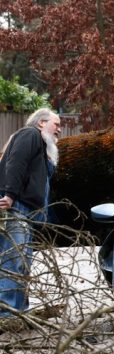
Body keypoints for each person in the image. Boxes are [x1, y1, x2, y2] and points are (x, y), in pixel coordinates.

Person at [0, 108, 61, 317]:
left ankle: (18, 312)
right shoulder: (30, 134)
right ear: (41, 123)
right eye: (56, 124)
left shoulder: (42, 145)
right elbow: (15, 163)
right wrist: (9, 194)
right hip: (18, 206)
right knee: (13, 260)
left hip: (28, 211)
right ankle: (6, 313)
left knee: (23, 262)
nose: (59, 130)